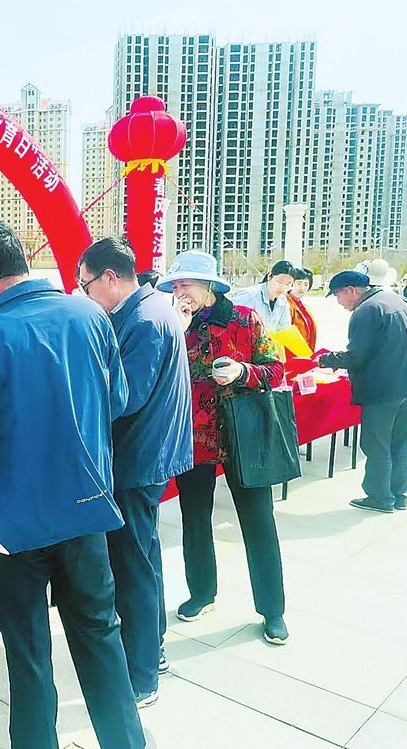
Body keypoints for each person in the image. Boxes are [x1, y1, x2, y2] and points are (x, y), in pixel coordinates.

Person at [0, 221, 145, 749]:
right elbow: (120, 400)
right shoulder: (90, 315)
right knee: (101, 639)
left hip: (13, 526)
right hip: (86, 510)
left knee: (29, 653)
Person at [77, 238, 193, 708]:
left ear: (110, 278)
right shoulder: (149, 309)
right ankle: (154, 649)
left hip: (138, 460)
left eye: (86, 285)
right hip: (147, 455)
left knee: (132, 568)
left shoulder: (144, 321)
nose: (85, 295)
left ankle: (142, 675)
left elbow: (125, 397)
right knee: (144, 559)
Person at [157, 250, 290, 646]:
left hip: (241, 436)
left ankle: (272, 610)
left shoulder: (244, 320)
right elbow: (156, 374)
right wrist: (176, 329)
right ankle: (202, 592)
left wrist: (242, 372)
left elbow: (276, 369)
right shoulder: (171, 324)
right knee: (194, 518)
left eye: (185, 284)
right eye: (175, 285)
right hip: (193, 437)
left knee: (258, 520)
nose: (179, 291)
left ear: (209, 286)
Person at [319, 271, 407, 513]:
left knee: (377, 444)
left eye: (338, 295)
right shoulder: (398, 299)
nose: (338, 302)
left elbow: (357, 357)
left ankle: (380, 498)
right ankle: (400, 494)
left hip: (384, 390)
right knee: (402, 443)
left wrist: (326, 359)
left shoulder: (365, 311)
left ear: (352, 290)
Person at [227, 259, 296, 332]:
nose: (282, 287)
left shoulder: (283, 301)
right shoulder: (249, 296)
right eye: (279, 282)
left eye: (288, 284)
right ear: (269, 276)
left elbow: (285, 329)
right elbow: (229, 322)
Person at [287, 267, 318, 351]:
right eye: (299, 283)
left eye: (306, 284)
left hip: (304, 352)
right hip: (291, 353)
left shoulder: (302, 306)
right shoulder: (285, 304)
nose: (302, 288)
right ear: (292, 284)